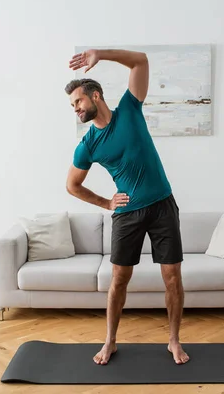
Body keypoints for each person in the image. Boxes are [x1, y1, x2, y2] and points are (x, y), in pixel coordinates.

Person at [65, 49, 189, 366]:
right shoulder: (88, 144)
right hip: (127, 214)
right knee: (119, 280)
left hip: (162, 205)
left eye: (78, 102)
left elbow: (141, 61)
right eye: (72, 106)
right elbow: (72, 185)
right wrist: (107, 202)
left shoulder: (130, 110)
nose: (75, 109)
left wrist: (101, 55)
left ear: (95, 96)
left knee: (173, 278)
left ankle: (173, 340)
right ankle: (110, 342)